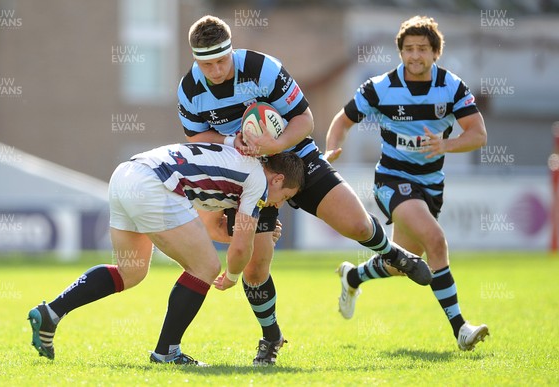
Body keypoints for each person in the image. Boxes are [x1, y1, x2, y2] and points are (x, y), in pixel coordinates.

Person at [178, 15, 432, 365]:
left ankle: (393, 253)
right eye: (206, 64)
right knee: (254, 269)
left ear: (231, 51)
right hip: (247, 176)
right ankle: (271, 337)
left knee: (357, 225)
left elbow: (305, 120)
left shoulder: (262, 69)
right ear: (195, 59)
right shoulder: (190, 89)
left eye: (221, 61)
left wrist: (275, 143)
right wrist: (228, 140)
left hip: (296, 156)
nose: (216, 70)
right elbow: (195, 137)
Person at [27, 143, 305, 365]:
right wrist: (232, 275)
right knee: (206, 267)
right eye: (282, 197)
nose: (276, 203)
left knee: (130, 271)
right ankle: (167, 352)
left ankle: (51, 312)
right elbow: (242, 248)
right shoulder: (258, 181)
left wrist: (246, 235)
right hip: (153, 184)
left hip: (126, 175)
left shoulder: (237, 163)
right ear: (278, 179)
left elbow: (213, 231)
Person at [325, 15, 489, 351]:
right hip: (392, 180)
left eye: (423, 49)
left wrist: (446, 144)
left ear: (435, 53)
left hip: (431, 186)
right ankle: (461, 328)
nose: (416, 55)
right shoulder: (381, 88)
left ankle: (352, 277)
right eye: (409, 49)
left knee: (401, 264)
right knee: (436, 241)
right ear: (400, 52)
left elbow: (478, 135)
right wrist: (331, 148)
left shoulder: (452, 87)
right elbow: (342, 121)